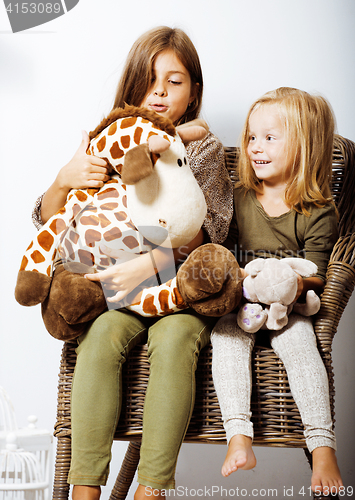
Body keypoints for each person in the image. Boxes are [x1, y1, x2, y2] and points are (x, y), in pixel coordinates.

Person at [32, 27, 233, 500]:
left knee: (175, 338)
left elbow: (217, 231)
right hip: (119, 296)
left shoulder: (200, 150)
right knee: (99, 340)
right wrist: (65, 177)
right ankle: (84, 488)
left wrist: (152, 264)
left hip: (178, 291)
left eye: (174, 81)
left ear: (194, 92)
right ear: (131, 87)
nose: (159, 91)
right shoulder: (110, 141)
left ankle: (152, 488)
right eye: (149, 79)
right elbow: (50, 220)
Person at [211, 87, 343, 495]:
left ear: (304, 146)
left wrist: (287, 283)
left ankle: (322, 447)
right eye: (252, 137)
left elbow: (317, 276)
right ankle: (239, 437)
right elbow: (220, 253)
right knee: (226, 339)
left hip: (291, 312)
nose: (255, 147)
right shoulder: (238, 199)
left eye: (270, 138)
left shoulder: (317, 210)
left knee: (304, 347)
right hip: (242, 308)